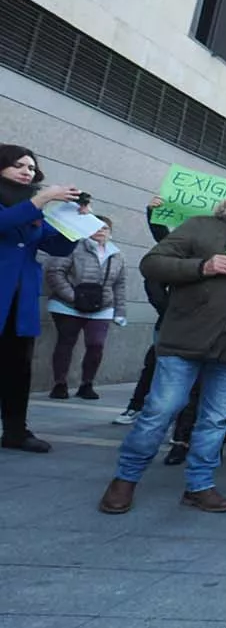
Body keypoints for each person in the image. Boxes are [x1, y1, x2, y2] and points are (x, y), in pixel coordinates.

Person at [98, 178, 226, 515]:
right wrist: (202, 267)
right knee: (160, 412)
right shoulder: (200, 227)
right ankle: (125, 479)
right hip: (185, 341)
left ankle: (199, 485)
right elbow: (153, 263)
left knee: (215, 420)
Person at [0, 144, 87, 452]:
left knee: (17, 368)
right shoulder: (33, 204)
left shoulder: (34, 206)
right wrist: (43, 198)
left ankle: (15, 431)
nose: (28, 172)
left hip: (19, 300)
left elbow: (59, 248)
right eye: (20, 166)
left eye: (32, 168)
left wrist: (77, 222)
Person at [44, 214, 127, 401]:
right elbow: (55, 272)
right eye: (96, 227)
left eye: (105, 228)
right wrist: (73, 297)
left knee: (96, 344)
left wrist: (120, 311)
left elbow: (119, 284)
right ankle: (60, 384)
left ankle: (87, 384)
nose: (101, 231)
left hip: (102, 306)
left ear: (111, 233)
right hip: (68, 305)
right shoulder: (73, 246)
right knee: (66, 342)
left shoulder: (116, 254)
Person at [115, 196, 174, 425]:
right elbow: (164, 240)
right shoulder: (177, 251)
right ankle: (137, 405)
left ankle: (183, 426)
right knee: (154, 364)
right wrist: (153, 213)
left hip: (205, 326)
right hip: (170, 322)